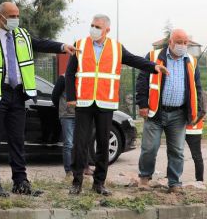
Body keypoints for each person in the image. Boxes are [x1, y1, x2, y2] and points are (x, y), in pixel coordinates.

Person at [0, 1, 75, 197]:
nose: (15, 20)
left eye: (17, 15)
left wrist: (62, 46)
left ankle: (20, 182)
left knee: (17, 139)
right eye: (11, 16)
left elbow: (41, 43)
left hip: (18, 94)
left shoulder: (22, 35)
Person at [66, 14, 168, 196]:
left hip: (105, 103)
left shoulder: (116, 48)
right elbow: (69, 73)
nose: (93, 29)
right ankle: (77, 182)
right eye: (92, 25)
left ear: (107, 30)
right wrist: (71, 97)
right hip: (84, 102)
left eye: (97, 27)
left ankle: (99, 183)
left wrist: (154, 67)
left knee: (103, 144)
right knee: (79, 143)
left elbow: (135, 60)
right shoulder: (80, 45)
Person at [136, 29, 205, 193]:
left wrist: (199, 110)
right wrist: (142, 105)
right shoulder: (153, 57)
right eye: (179, 42)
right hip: (155, 112)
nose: (183, 45)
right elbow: (142, 81)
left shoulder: (191, 61)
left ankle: (174, 183)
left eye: (185, 42)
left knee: (177, 150)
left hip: (179, 115)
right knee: (149, 148)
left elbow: (197, 88)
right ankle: (144, 178)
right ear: (171, 43)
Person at [51, 74, 94, 177]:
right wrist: (63, 107)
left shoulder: (85, 76)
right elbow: (54, 96)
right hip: (67, 116)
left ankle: (85, 167)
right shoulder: (63, 78)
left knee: (83, 142)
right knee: (69, 143)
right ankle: (69, 171)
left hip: (82, 114)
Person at [185, 115, 206, 189]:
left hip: (193, 129)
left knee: (196, 155)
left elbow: (202, 111)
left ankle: (200, 180)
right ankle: (170, 177)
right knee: (173, 152)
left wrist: (193, 122)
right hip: (179, 127)